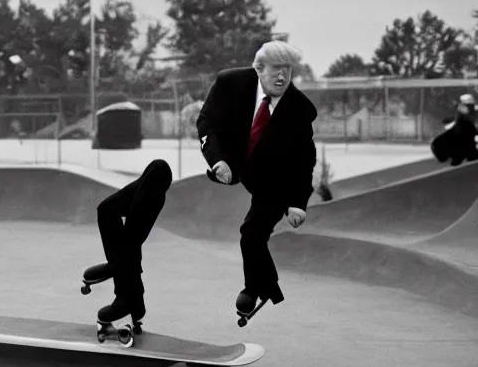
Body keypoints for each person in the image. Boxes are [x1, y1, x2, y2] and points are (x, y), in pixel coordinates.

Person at [195, 40, 318, 324]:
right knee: (250, 232)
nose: (282, 77)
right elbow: (206, 123)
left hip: (275, 180)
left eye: (288, 70)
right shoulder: (230, 83)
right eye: (276, 69)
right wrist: (217, 161)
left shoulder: (300, 110)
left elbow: (304, 161)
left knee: (251, 233)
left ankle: (256, 288)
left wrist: (298, 203)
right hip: (234, 160)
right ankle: (265, 284)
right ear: (259, 69)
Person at [80, 158, 174, 335]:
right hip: (153, 173)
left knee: (129, 241)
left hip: (156, 181)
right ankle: (131, 293)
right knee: (106, 210)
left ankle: (127, 297)